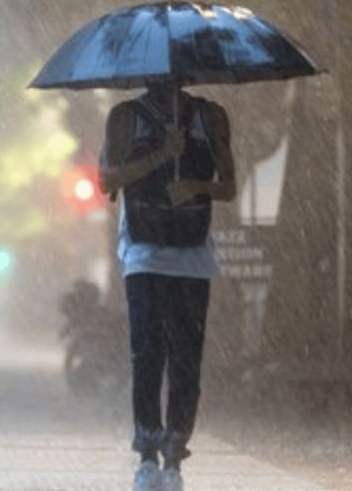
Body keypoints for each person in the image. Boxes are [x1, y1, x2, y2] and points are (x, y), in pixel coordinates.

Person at [98, 83, 236, 491]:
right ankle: (146, 454)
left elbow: (229, 186)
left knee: (186, 358)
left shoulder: (209, 116)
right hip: (143, 252)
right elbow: (106, 180)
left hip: (192, 256)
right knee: (147, 353)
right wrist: (161, 155)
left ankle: (174, 456)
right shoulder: (125, 117)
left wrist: (196, 186)